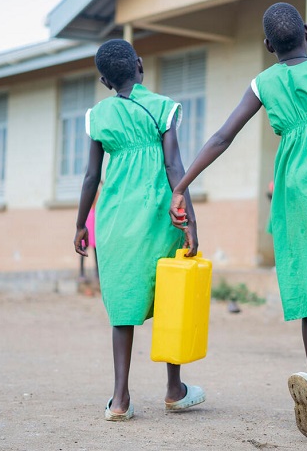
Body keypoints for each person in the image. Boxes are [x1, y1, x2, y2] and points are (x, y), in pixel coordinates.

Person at [169, 2, 307, 440]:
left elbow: (222, 136)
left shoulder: (264, 82)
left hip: (290, 189)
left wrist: (182, 185)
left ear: (268, 45)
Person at [73, 39, 204, 422]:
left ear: (103, 80)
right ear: (140, 65)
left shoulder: (98, 116)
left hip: (114, 219)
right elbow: (175, 168)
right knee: (170, 299)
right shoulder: (163, 107)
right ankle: (174, 389)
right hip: (160, 217)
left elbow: (91, 176)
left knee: (123, 305)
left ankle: (120, 399)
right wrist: (190, 222)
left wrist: (82, 222)